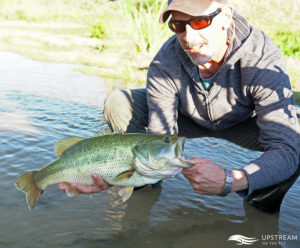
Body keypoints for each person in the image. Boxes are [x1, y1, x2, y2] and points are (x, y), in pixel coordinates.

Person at [59, 0, 300, 213]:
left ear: (225, 17)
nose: (188, 37)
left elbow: (285, 149)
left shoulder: (262, 58)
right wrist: (120, 174)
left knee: (294, 138)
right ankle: (143, 181)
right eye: (178, 25)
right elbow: (160, 133)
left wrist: (232, 180)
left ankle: (261, 198)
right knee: (118, 102)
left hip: (244, 124)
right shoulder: (165, 61)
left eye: (200, 22)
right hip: (186, 118)